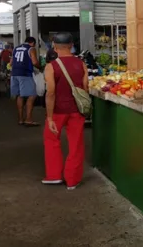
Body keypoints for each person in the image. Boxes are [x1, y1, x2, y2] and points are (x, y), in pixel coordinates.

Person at [43, 33, 88, 190]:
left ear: (54, 47)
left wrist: (49, 118)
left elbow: (51, 92)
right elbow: (85, 87)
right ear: (71, 45)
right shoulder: (81, 64)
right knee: (76, 144)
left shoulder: (51, 66)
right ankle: (72, 180)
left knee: (52, 140)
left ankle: (54, 175)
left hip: (57, 111)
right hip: (77, 110)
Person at [11, 37, 40, 126]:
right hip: (25, 74)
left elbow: (11, 62)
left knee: (20, 95)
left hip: (14, 74)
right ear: (32, 43)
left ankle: (20, 119)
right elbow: (34, 62)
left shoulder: (16, 48)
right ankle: (28, 119)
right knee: (32, 96)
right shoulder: (31, 49)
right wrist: (40, 68)